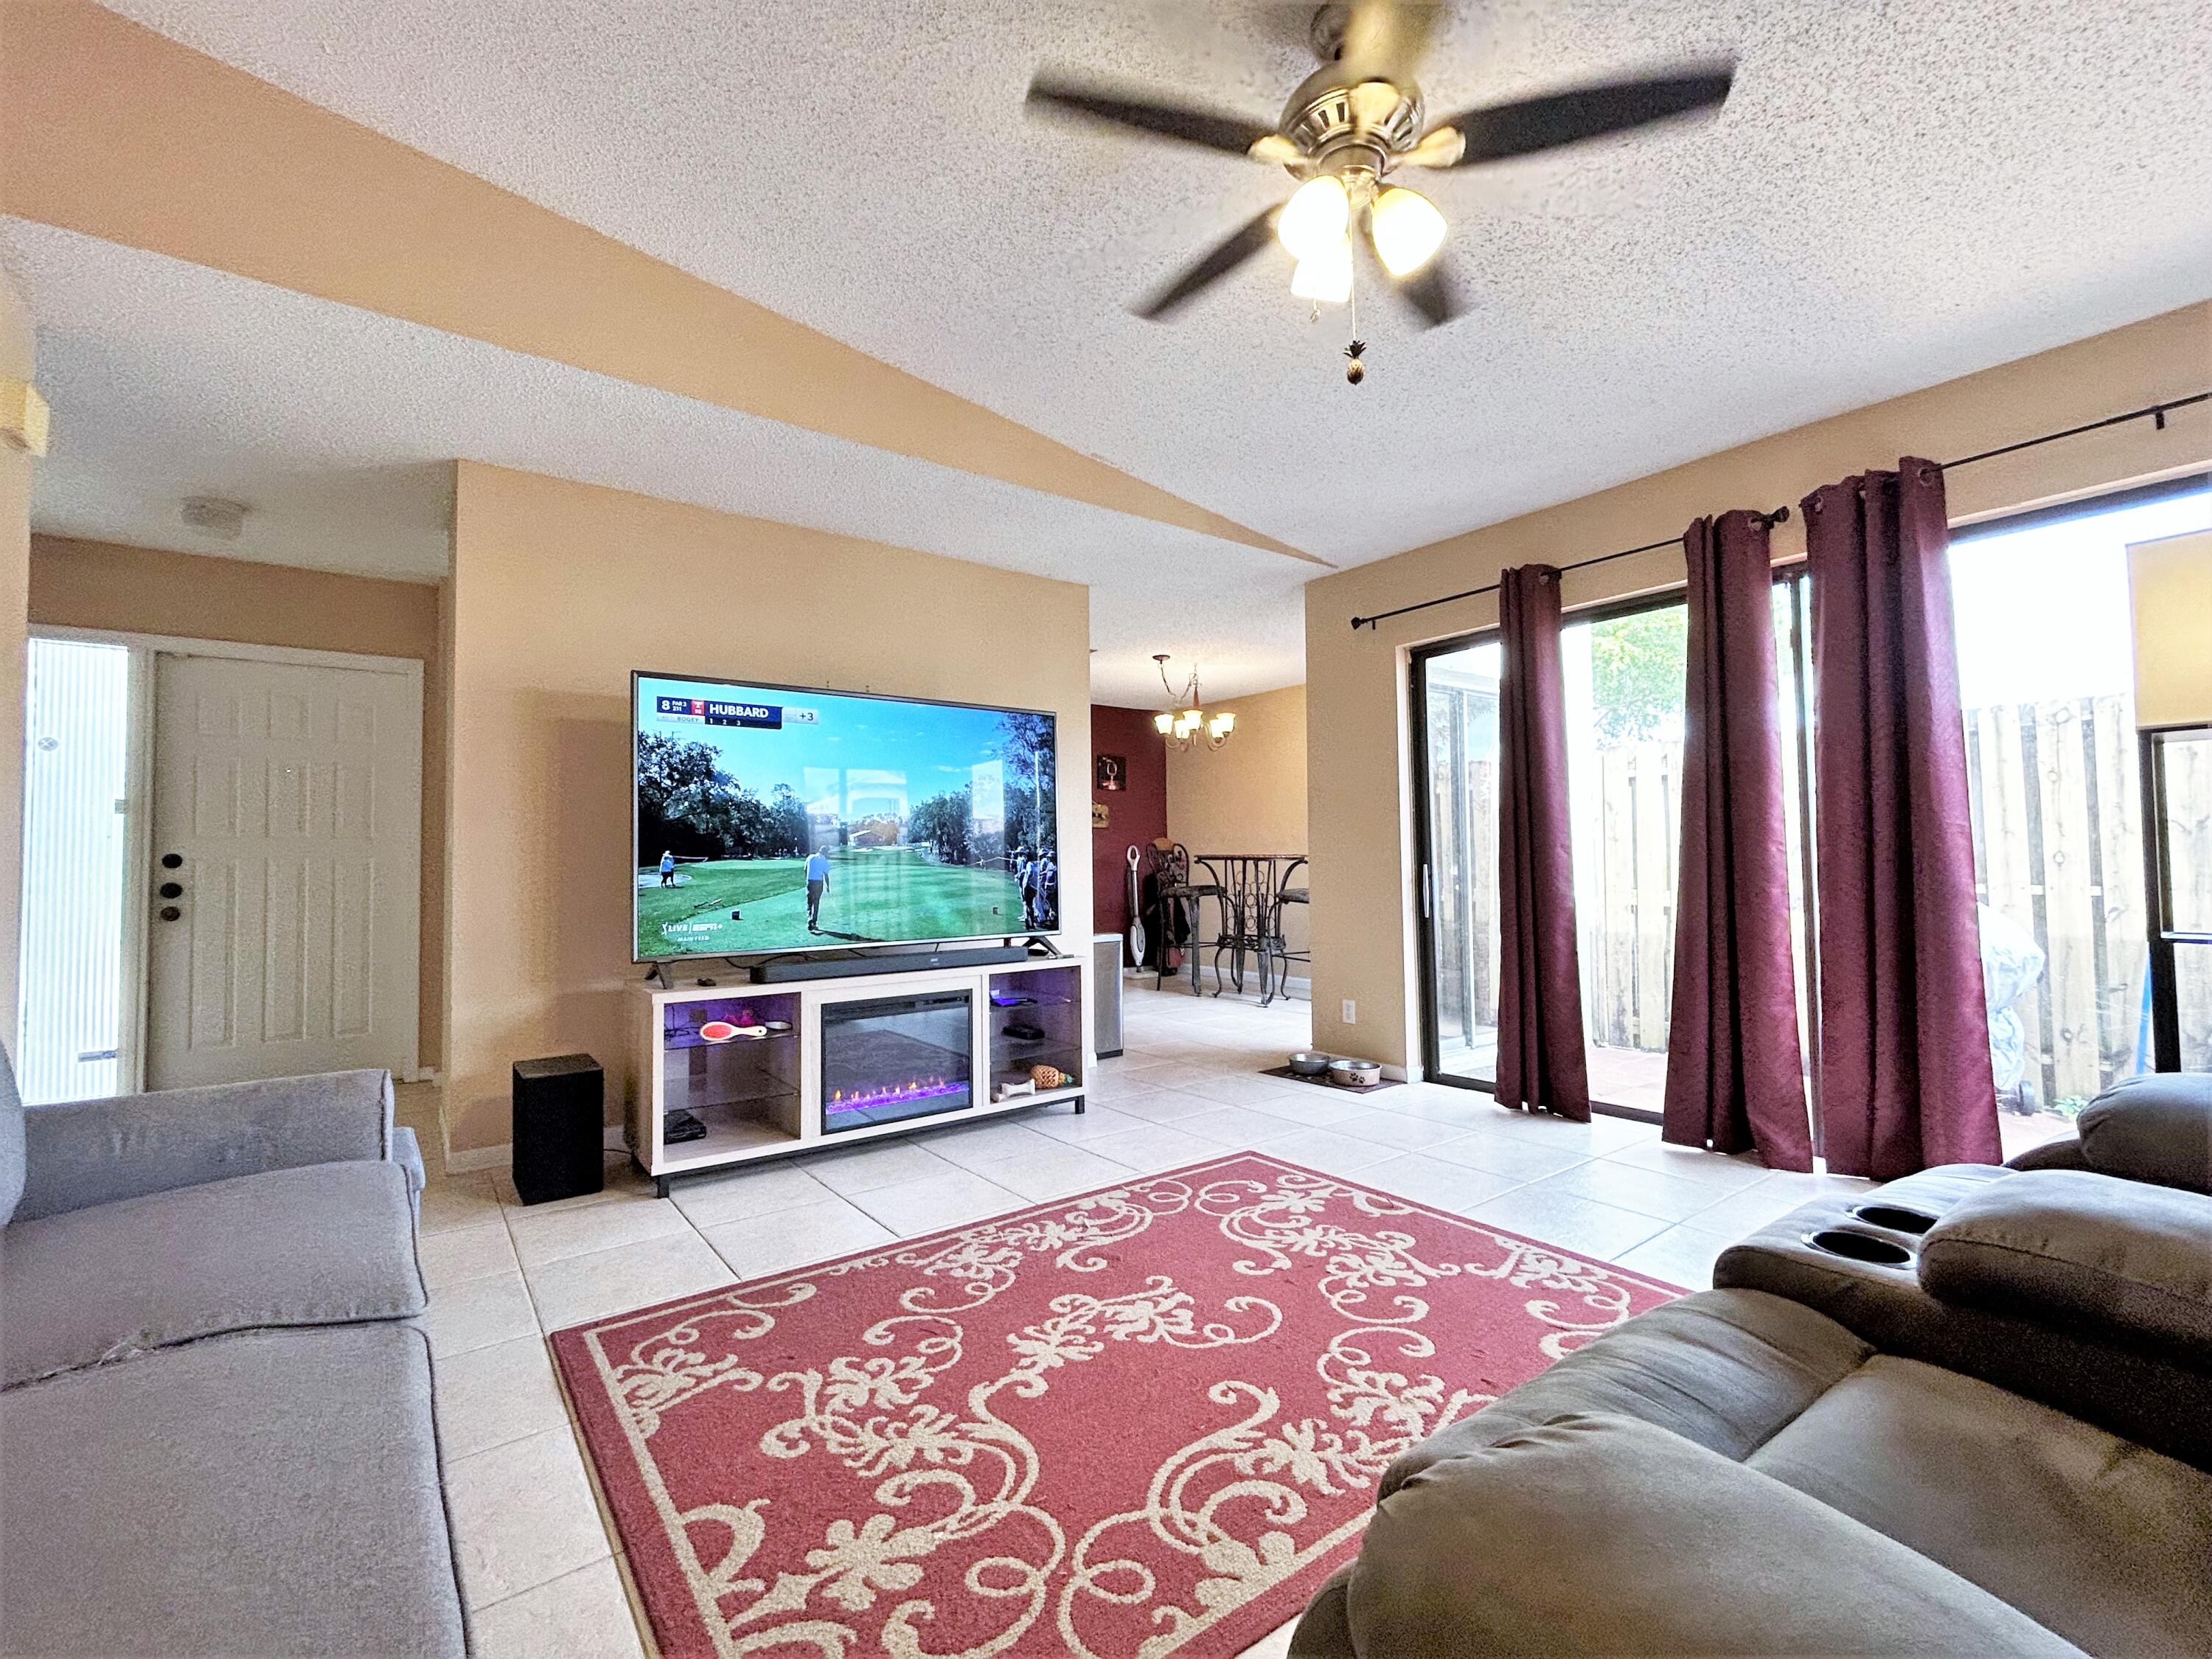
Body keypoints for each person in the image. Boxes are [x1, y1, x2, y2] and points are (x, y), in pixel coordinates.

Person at [804, 847, 832, 932]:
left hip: (810, 881)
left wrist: (807, 879)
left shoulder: (810, 857)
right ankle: (814, 922)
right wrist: (828, 886)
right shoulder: (823, 860)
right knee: (816, 902)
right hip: (819, 882)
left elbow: (805, 869)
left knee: (809, 902)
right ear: (825, 852)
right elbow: (826, 875)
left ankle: (809, 918)